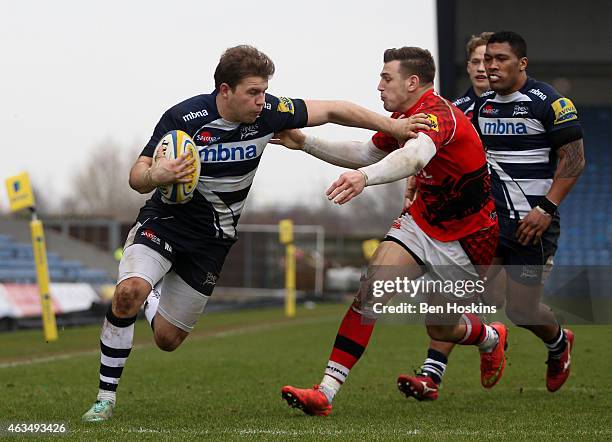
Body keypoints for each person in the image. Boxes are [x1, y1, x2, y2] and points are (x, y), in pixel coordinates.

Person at [81, 44, 428, 422]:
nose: (262, 100)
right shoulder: (185, 117)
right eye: (253, 92)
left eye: (264, 90)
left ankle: (152, 298)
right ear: (224, 91)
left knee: (167, 339)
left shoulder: (270, 113)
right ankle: (105, 399)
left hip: (213, 242)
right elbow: (137, 176)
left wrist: (392, 125)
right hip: (165, 222)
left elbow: (334, 109)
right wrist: (156, 175)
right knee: (128, 293)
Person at [275, 47, 505, 417]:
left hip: (468, 240)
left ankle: (490, 336)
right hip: (420, 224)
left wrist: (364, 180)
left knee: (442, 329)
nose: (379, 85)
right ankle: (325, 393)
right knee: (370, 293)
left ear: (412, 82)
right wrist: (305, 142)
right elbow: (367, 153)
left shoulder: (439, 115)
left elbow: (413, 158)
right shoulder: (401, 117)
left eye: (386, 77)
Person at [472, 31, 584, 393]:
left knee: (521, 312)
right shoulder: (479, 106)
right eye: (487, 58)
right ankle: (479, 346)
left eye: (500, 59)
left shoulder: (548, 102)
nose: (490, 66)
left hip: (532, 227)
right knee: (471, 291)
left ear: (522, 63)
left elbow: (575, 160)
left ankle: (558, 342)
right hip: (491, 224)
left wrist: (546, 209)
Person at [398, 31, 496, 401]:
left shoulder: (529, 104)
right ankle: (432, 375)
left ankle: (550, 342)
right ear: (467, 67)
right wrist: (413, 181)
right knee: (445, 300)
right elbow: (428, 155)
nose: (482, 68)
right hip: (462, 217)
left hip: (512, 214)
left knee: (520, 303)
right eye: (475, 61)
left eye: (490, 60)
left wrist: (545, 206)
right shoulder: (450, 109)